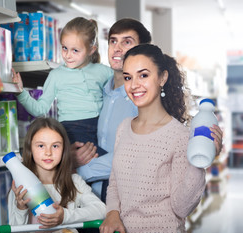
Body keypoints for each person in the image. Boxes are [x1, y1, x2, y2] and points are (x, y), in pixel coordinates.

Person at [72, 18, 223, 202]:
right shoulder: (101, 91)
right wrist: (72, 155)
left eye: (127, 42)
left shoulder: (141, 100)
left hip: (128, 197)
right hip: (92, 196)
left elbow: (130, 155)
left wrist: (77, 171)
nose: (117, 48)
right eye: (113, 41)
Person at [99, 44, 222, 233]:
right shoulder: (123, 127)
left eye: (144, 75)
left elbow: (181, 208)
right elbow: (114, 183)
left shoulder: (179, 136)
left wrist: (199, 163)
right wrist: (112, 212)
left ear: (162, 78)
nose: (133, 85)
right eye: (128, 77)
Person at [13, 17, 113, 157]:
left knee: (107, 163)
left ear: (91, 50)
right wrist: (20, 92)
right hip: (72, 130)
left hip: (102, 127)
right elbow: (39, 110)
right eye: (64, 48)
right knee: (107, 161)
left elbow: (120, 94)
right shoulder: (56, 75)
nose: (67, 55)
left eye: (75, 50)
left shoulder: (104, 71)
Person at [8, 117, 106, 233]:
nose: (48, 152)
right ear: (30, 148)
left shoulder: (74, 181)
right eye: (40, 146)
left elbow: (101, 210)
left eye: (55, 146)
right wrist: (20, 209)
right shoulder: (21, 189)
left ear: (64, 149)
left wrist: (65, 216)